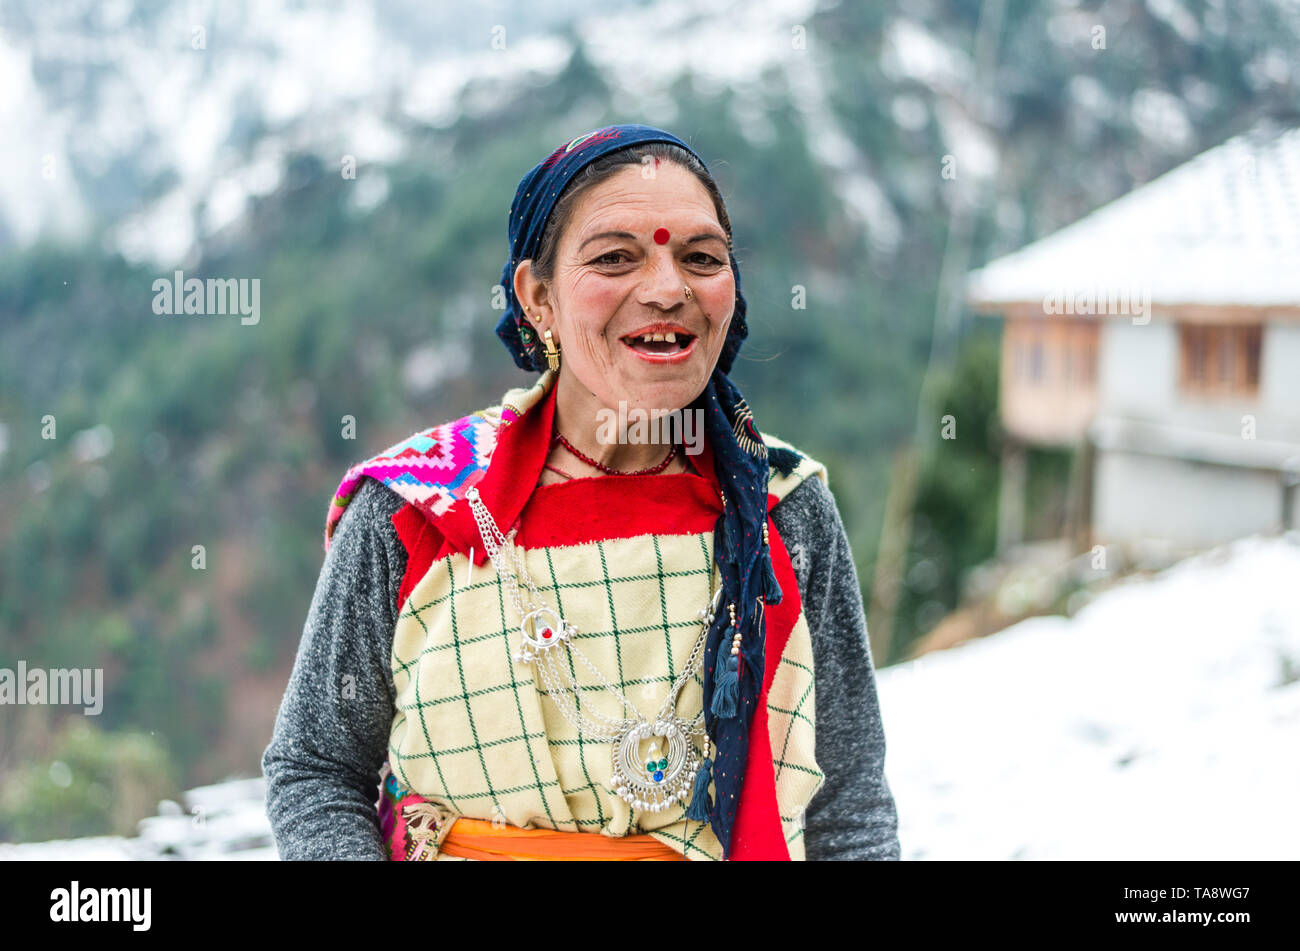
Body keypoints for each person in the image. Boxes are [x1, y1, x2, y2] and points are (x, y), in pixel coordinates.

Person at [262, 123, 899, 861]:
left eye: (700, 258)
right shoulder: (415, 510)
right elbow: (316, 769)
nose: (668, 289)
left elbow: (847, 807)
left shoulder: (782, 514)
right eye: (615, 258)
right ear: (538, 297)